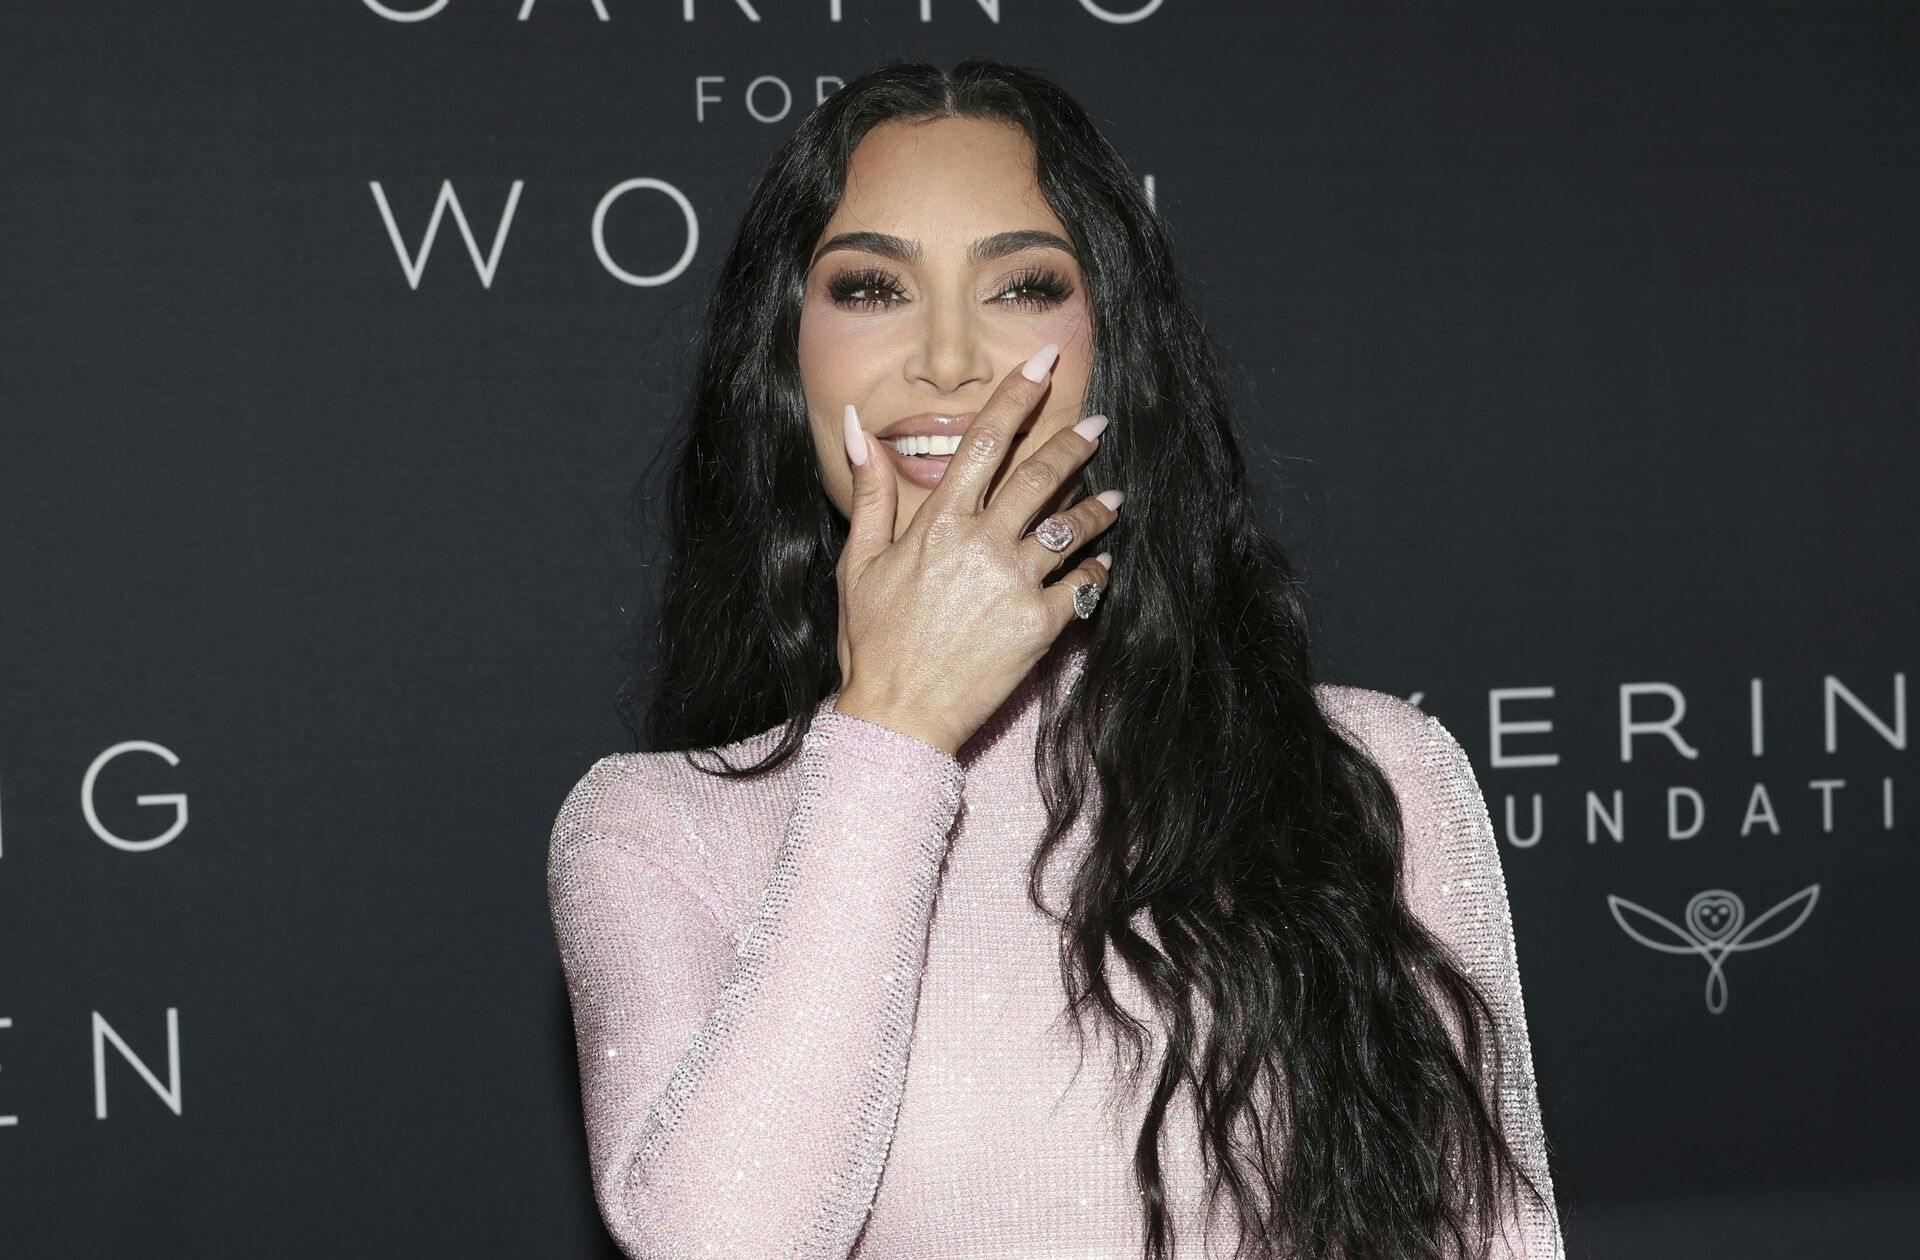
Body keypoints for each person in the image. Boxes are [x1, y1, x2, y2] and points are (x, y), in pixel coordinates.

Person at [547, 59, 1564, 1260]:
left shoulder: (1373, 775)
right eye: (871, 288)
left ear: (1111, 347)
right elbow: (722, 1245)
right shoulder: (654, 833)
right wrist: (894, 733)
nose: (947, 359)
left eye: (1022, 285)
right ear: (785, 361)